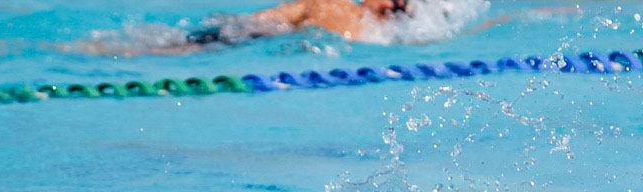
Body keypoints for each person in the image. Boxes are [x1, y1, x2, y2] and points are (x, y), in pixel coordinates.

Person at [67, 0, 412, 56]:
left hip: (257, 34)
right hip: (271, 40)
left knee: (167, 49)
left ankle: (97, 50)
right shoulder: (378, 36)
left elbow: (267, 17)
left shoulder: (332, 4)